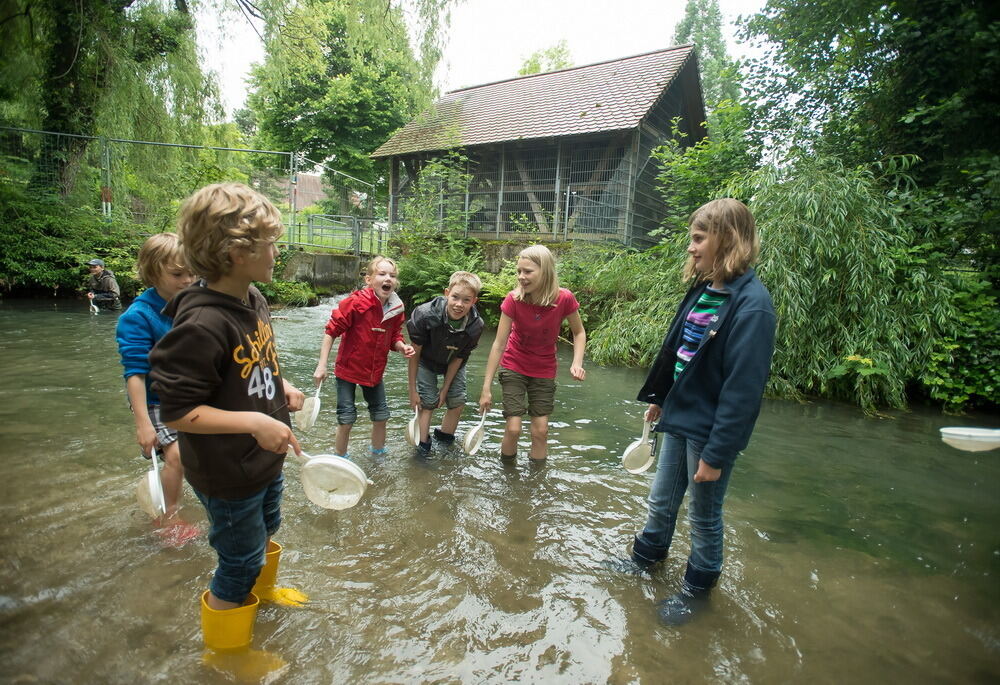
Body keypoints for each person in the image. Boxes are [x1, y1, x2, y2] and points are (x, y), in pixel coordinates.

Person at [148, 183, 308, 656]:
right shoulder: (201, 325)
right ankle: (225, 653)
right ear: (237, 251)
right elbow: (179, 411)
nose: (277, 251)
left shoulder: (252, 298)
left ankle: (260, 592)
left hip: (262, 458)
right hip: (227, 469)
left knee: (267, 529)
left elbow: (252, 364)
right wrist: (255, 423)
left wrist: (281, 386)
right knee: (237, 561)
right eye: (270, 243)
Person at [621, 198, 776, 626]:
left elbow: (743, 391)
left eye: (698, 238)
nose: (690, 248)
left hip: (709, 431)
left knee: (704, 515)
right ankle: (645, 560)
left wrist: (717, 454)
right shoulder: (705, 288)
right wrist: (660, 397)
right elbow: (679, 351)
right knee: (661, 500)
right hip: (679, 415)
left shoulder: (753, 306)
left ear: (727, 239)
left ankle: (696, 591)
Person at [114, 233, 198, 544]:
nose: (188, 280)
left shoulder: (191, 303)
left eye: (192, 272)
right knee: (177, 455)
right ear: (152, 272)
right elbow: (135, 373)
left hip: (190, 394)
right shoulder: (138, 317)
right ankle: (169, 519)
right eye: (178, 274)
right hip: (155, 399)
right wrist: (143, 424)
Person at [479, 244, 586, 461]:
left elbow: (579, 332)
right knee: (514, 429)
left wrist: (577, 362)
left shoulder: (564, 298)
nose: (521, 277)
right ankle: (508, 477)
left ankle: (536, 482)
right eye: (519, 271)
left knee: (541, 431)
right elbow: (499, 344)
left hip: (544, 369)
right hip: (514, 365)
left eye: (527, 272)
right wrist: (486, 388)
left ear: (545, 271)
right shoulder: (513, 299)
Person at [313, 256, 415, 459]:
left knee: (381, 417)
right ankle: (340, 458)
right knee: (347, 419)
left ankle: (378, 455)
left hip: (374, 373)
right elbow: (331, 332)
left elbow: (394, 335)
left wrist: (402, 346)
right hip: (347, 370)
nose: (388, 278)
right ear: (368, 279)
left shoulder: (396, 308)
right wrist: (322, 365)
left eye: (392, 276)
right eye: (382, 274)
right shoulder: (355, 302)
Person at [406, 271, 485, 455]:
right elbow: (414, 354)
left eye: (466, 300)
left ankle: (444, 442)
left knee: (457, 401)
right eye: (455, 297)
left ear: (474, 301)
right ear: (446, 293)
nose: (459, 304)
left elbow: (459, 358)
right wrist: (412, 391)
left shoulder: (476, 325)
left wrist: (445, 388)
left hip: (454, 361)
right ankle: (423, 447)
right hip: (425, 361)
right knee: (428, 402)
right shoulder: (425, 315)